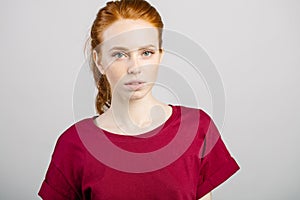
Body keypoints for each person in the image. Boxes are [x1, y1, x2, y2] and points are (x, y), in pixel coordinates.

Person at [38, 0, 240, 199]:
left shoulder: (197, 128)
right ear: (99, 61)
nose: (135, 67)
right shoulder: (74, 144)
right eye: (119, 54)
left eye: (146, 53)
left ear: (159, 56)